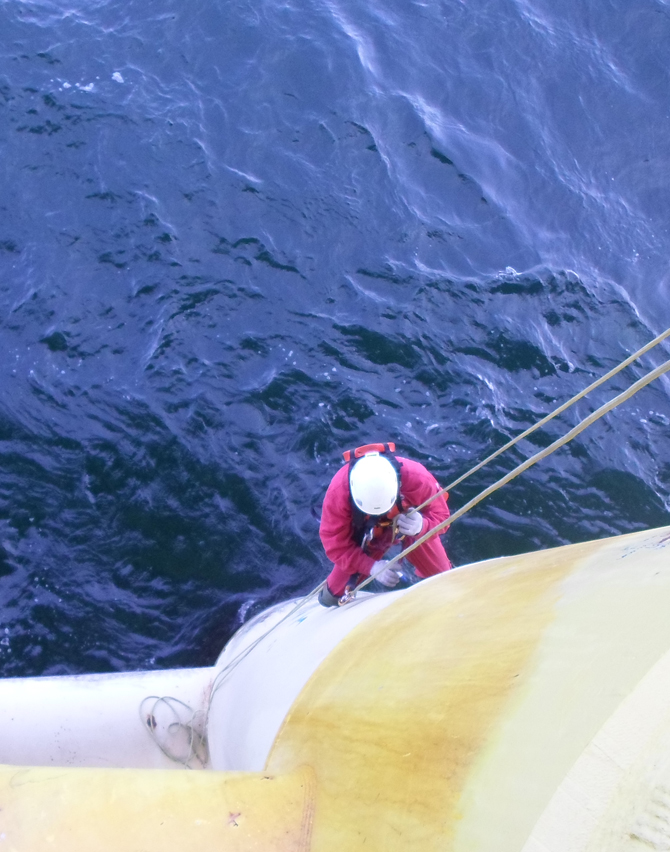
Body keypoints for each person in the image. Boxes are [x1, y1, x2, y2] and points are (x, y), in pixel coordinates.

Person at [318, 442, 452, 607]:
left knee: (445, 579)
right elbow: (335, 545)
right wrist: (372, 567)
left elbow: (442, 515)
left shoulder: (416, 477)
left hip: (409, 524)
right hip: (368, 533)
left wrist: (422, 526)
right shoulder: (338, 492)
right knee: (331, 598)